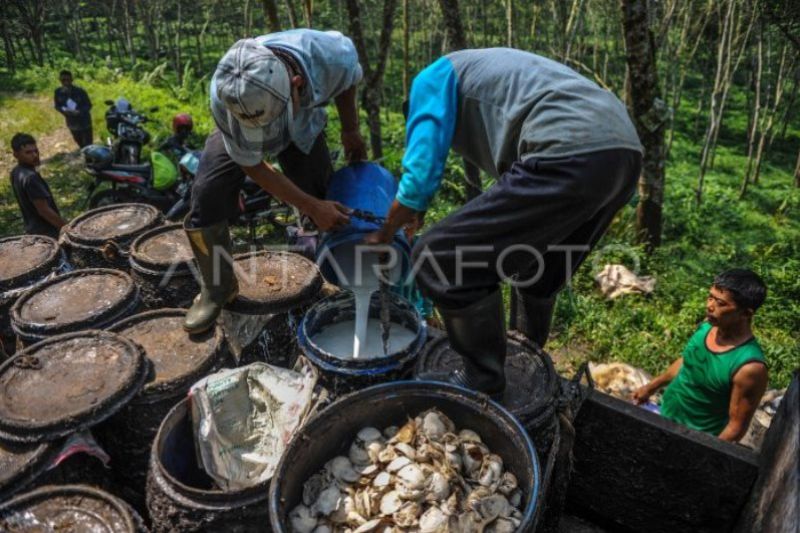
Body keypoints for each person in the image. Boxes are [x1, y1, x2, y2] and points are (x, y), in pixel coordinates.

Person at [366, 49, 643, 396]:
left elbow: (419, 173)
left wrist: (386, 232)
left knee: (440, 257)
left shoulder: (431, 80)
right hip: (623, 156)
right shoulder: (493, 76)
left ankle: (482, 380)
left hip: (569, 146)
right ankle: (525, 355)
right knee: (538, 266)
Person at [183, 29, 368, 334]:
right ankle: (217, 287)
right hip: (238, 132)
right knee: (207, 193)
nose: (266, 137)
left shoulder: (330, 57)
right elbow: (255, 166)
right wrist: (309, 205)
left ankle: (331, 279)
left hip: (301, 130)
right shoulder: (226, 92)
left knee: (324, 198)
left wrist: (351, 129)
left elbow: (348, 81)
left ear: (297, 85)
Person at [633, 269, 768, 442]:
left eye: (720, 303)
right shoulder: (707, 328)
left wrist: (704, 454)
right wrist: (651, 387)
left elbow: (736, 427)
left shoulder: (749, 367)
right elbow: (687, 361)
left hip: (693, 439)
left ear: (745, 314)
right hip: (663, 413)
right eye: (710, 297)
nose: (710, 306)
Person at [9, 133, 67, 238]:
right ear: (16, 155)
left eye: (36, 151)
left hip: (33, 229)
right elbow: (44, 210)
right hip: (47, 232)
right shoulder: (30, 178)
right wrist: (66, 228)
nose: (35, 155)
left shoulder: (16, 172)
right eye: (28, 152)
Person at [54, 70, 93, 148]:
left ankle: (91, 159)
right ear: (60, 80)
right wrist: (64, 111)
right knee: (80, 143)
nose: (66, 82)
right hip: (72, 123)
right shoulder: (58, 92)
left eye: (68, 80)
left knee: (89, 145)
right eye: (63, 80)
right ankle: (86, 156)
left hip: (84, 122)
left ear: (72, 79)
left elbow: (88, 105)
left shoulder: (80, 91)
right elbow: (57, 106)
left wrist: (79, 112)